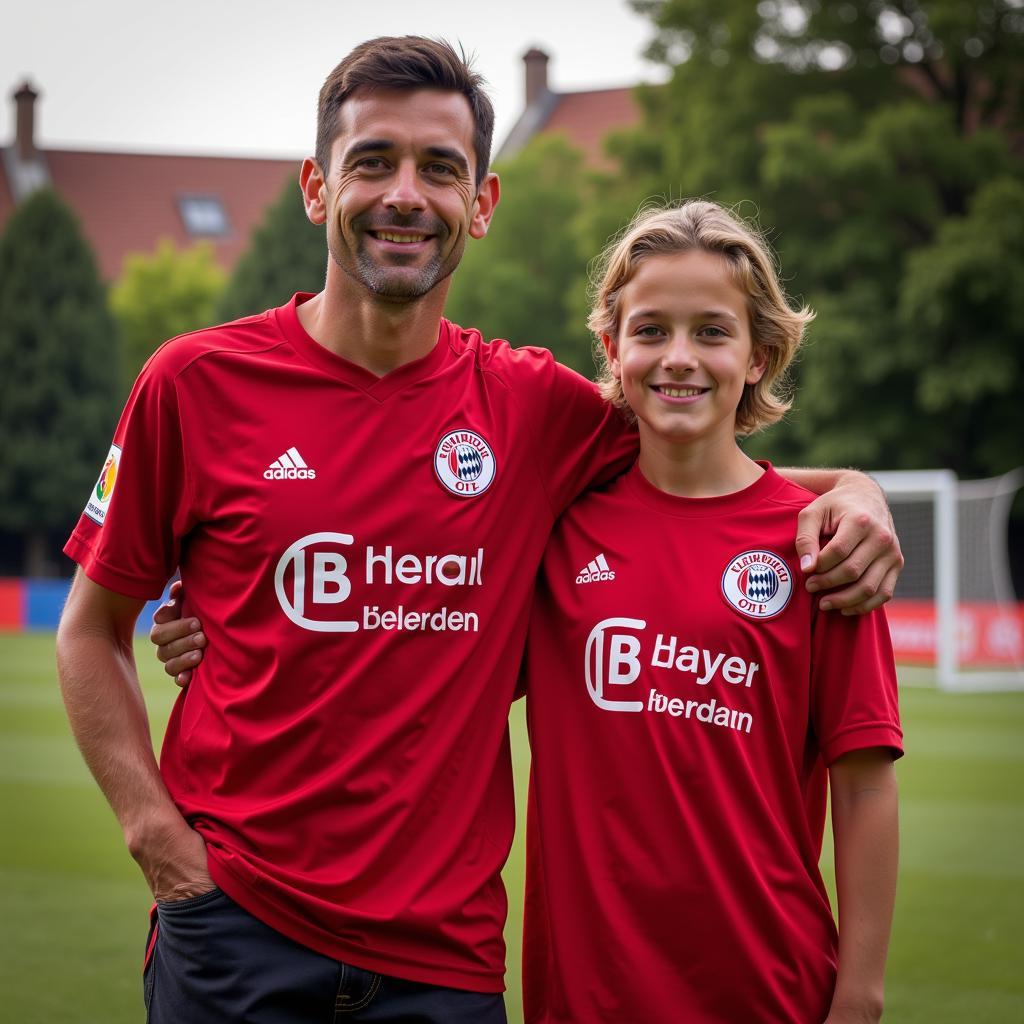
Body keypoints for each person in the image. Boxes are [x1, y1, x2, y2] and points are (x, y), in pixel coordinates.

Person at [58, 36, 901, 1024]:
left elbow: (699, 457)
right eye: (372, 161)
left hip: (444, 963)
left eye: (439, 169)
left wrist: (853, 488)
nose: (405, 195)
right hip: (234, 927)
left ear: (482, 203)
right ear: (316, 188)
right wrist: (156, 840)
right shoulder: (193, 386)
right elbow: (89, 631)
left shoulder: (533, 409)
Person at [519, 201, 901, 1023]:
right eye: (651, 330)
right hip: (584, 1000)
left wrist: (860, 999)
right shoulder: (554, 530)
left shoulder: (824, 544)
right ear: (613, 348)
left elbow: (865, 785)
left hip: (770, 992)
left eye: (712, 332)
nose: (679, 358)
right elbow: (413, 620)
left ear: (760, 355)